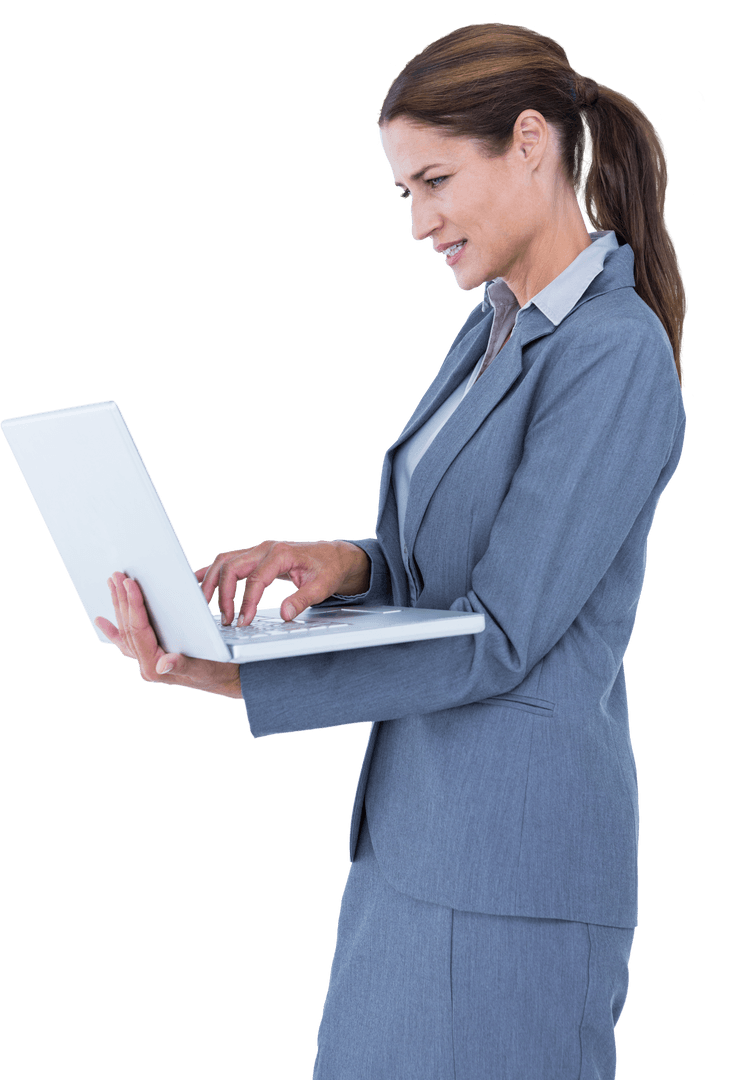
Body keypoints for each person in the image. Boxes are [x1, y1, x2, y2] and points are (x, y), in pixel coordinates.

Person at [96, 22, 688, 1080]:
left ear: (529, 141)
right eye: (402, 193)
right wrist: (352, 562)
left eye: (433, 182)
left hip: (512, 879)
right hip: (415, 851)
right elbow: (461, 555)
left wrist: (234, 671)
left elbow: (501, 633)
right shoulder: (493, 326)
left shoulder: (614, 353)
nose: (417, 223)